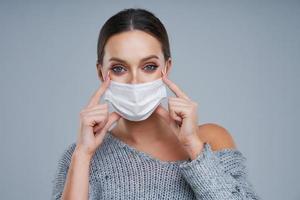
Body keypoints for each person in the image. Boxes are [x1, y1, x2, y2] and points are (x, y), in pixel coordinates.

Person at [51, 8, 261, 200]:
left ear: (166, 68)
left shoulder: (211, 140)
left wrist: (193, 146)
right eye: (119, 69)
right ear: (101, 73)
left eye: (149, 66)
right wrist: (83, 155)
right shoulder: (80, 156)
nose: (135, 81)